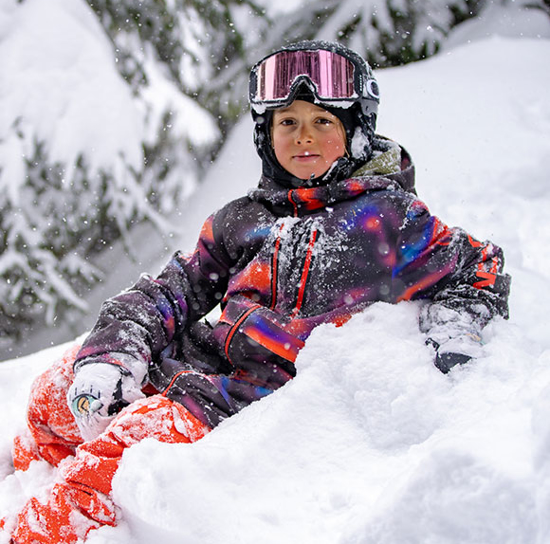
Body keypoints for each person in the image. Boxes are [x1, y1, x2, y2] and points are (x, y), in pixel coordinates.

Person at [5, 40, 510, 543]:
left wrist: (454, 326)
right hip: (195, 366)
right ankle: (22, 486)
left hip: (242, 403)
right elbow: (172, 289)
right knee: (54, 396)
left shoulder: (387, 220)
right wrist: (114, 354)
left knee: (101, 476)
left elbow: (478, 266)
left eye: (323, 122)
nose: (303, 136)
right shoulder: (245, 218)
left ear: (356, 132)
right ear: (266, 135)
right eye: (287, 122)